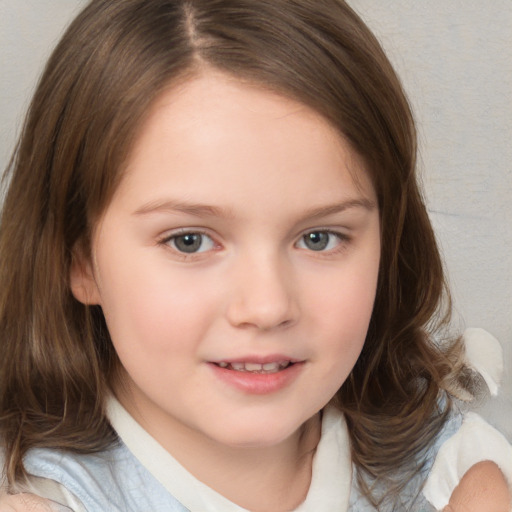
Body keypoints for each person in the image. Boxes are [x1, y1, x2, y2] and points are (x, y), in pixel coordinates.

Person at [0, 0, 510, 510]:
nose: (267, 307)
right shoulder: (36, 497)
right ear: (81, 258)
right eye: (189, 241)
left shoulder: (454, 475)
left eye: (319, 238)